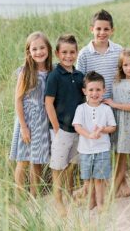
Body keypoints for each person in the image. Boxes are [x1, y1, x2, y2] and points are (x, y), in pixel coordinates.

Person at [76, 9, 130, 196]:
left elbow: (125, 74)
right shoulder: (84, 54)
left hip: (116, 104)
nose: (102, 32)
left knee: (118, 144)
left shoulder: (118, 50)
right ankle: (87, 184)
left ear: (112, 30)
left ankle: (120, 181)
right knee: (93, 144)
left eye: (106, 29)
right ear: (92, 29)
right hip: (94, 108)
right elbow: (80, 81)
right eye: (98, 28)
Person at [45, 34, 84, 217]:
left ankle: (69, 193)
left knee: (72, 164)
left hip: (76, 129)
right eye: (64, 52)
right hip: (60, 129)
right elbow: (48, 103)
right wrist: (56, 128)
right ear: (58, 53)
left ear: (76, 52)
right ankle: (58, 199)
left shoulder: (79, 75)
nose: (68, 56)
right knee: (58, 166)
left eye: (72, 52)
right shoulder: (54, 75)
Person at [10, 31, 52, 199]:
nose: (39, 52)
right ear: (29, 51)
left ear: (48, 49)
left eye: (42, 48)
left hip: (43, 121)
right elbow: (18, 101)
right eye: (34, 49)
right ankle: (18, 197)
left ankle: (35, 196)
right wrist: (24, 127)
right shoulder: (26, 72)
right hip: (27, 121)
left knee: (38, 160)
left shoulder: (51, 71)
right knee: (23, 160)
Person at [104, 47, 130, 203]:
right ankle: (114, 190)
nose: (129, 68)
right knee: (120, 159)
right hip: (119, 127)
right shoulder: (116, 83)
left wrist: (115, 105)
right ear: (121, 67)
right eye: (125, 65)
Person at [72, 71, 116, 212]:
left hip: (102, 149)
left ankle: (100, 203)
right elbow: (77, 126)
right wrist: (89, 135)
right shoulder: (81, 108)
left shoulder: (106, 109)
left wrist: (102, 129)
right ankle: (91, 201)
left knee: (99, 179)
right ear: (84, 91)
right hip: (85, 150)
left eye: (98, 90)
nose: (94, 93)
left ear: (104, 90)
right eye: (91, 90)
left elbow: (113, 127)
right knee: (88, 179)